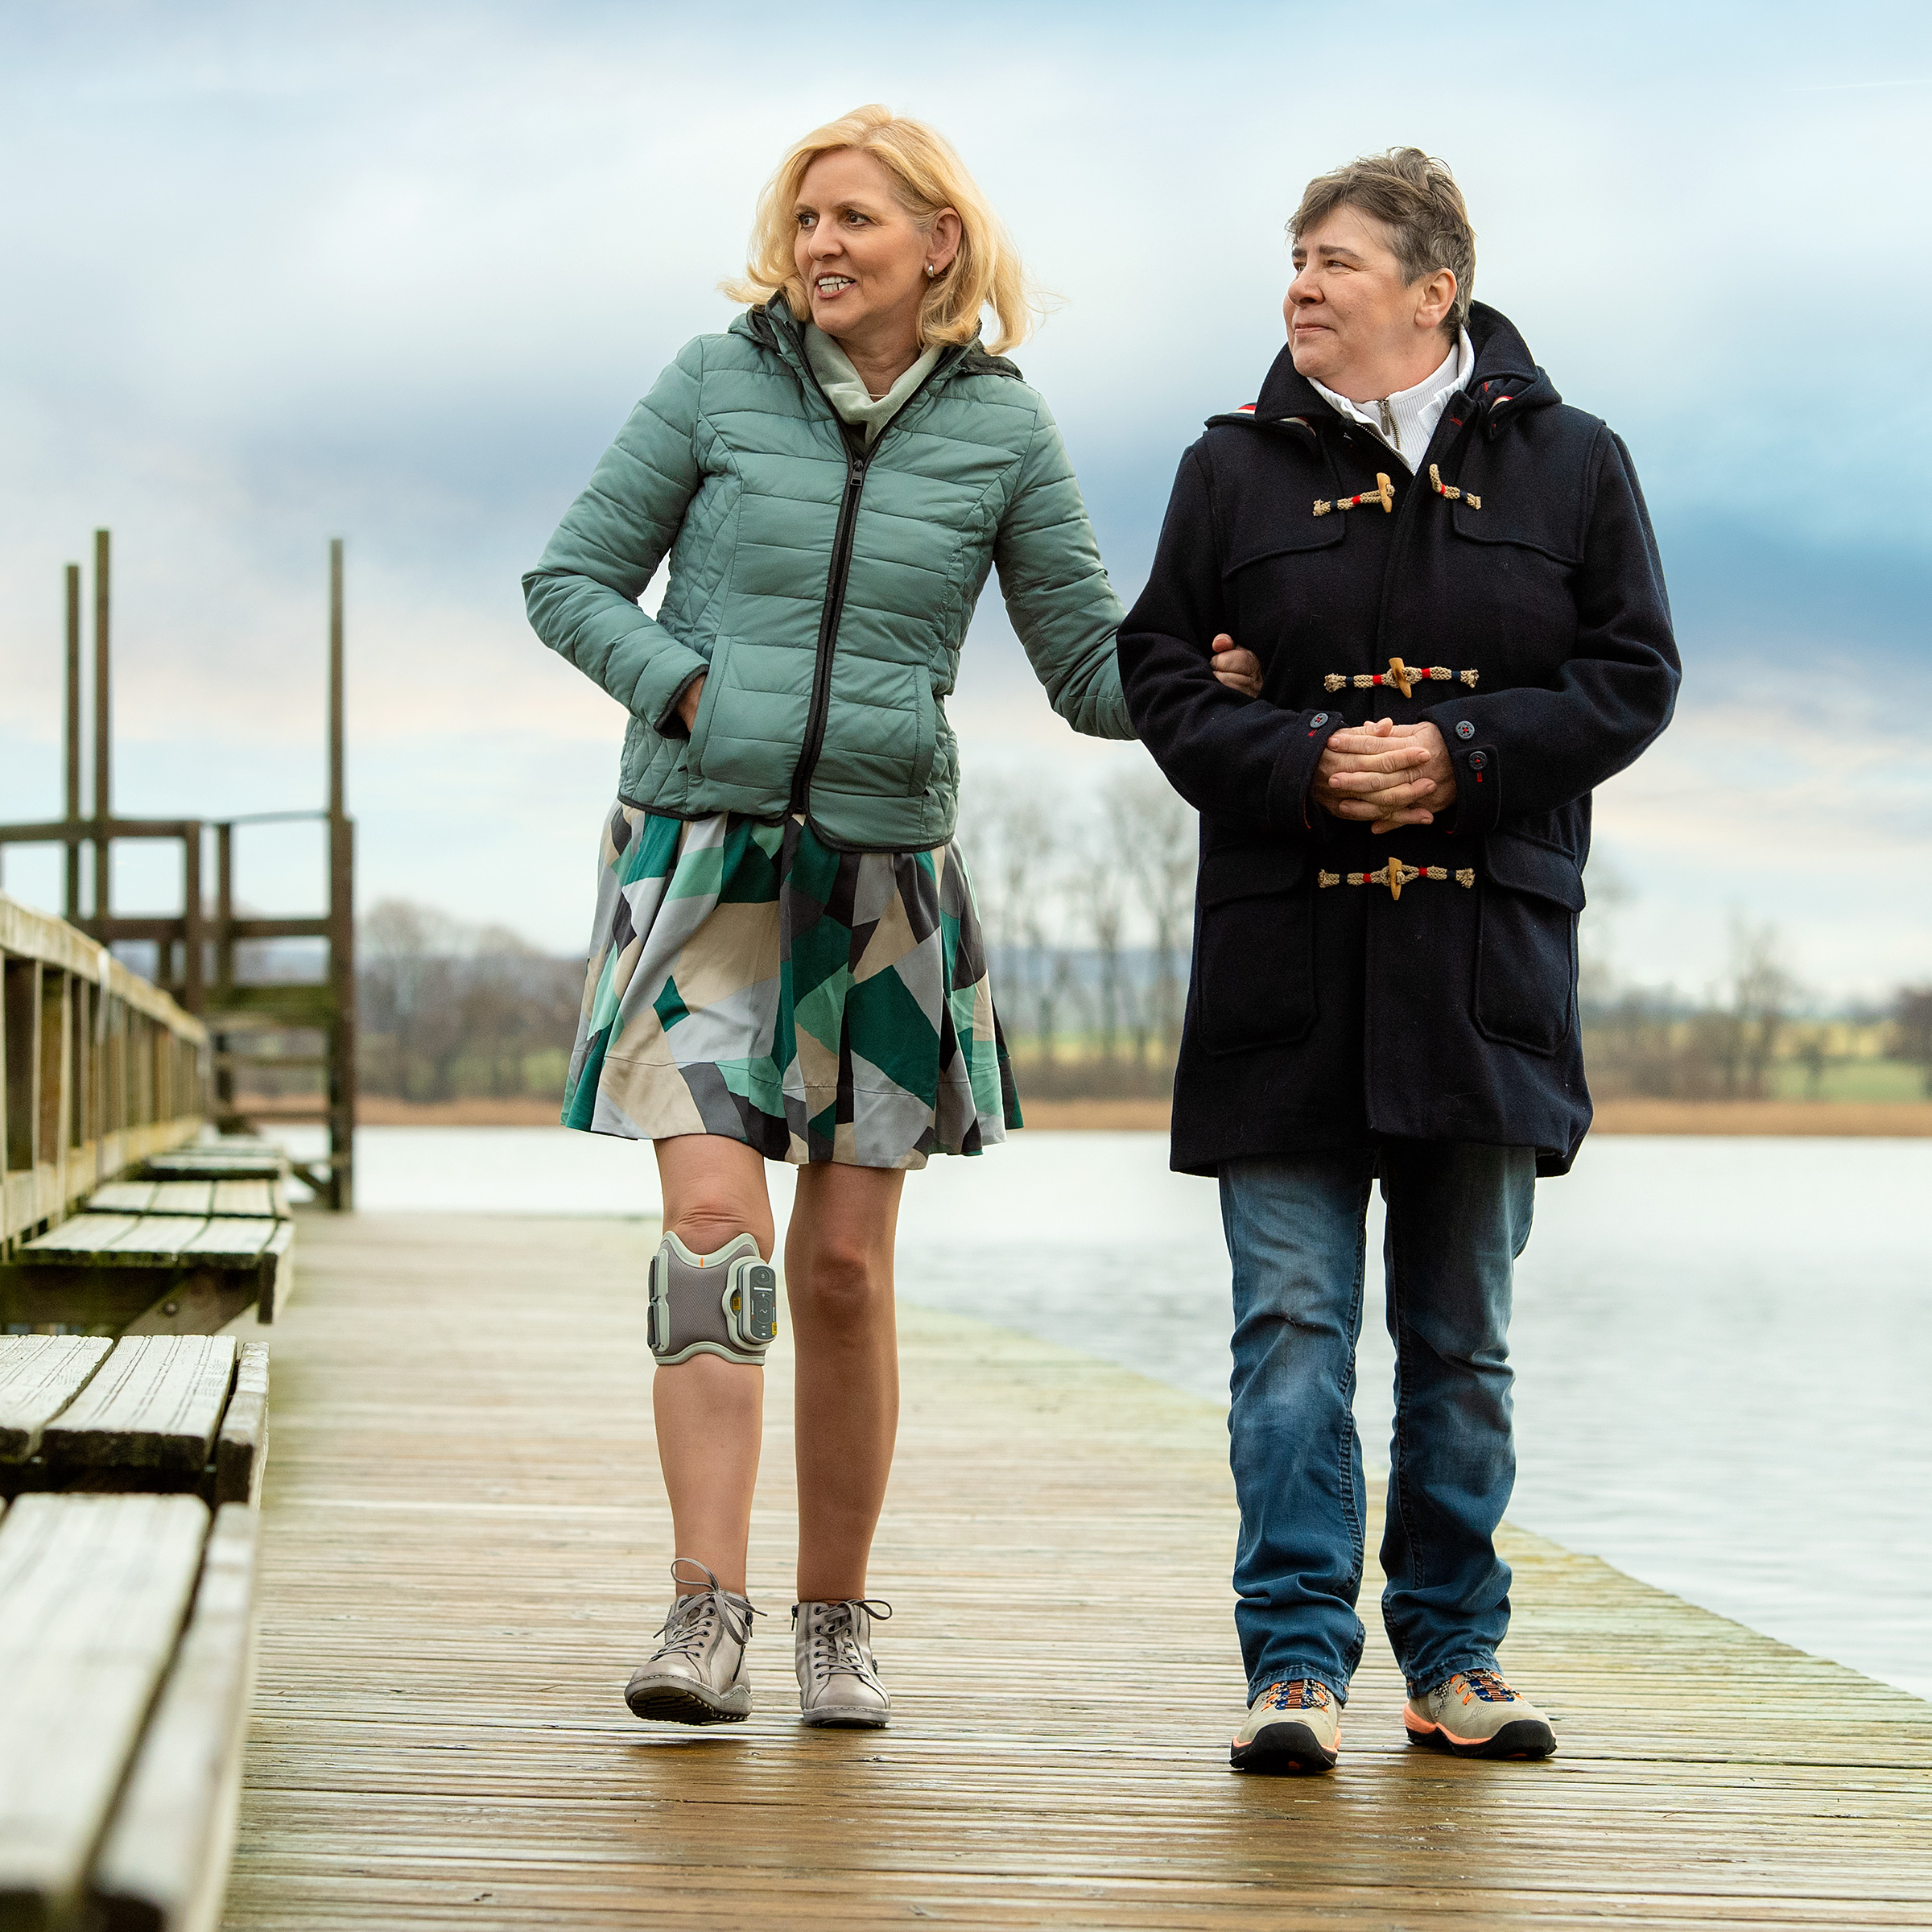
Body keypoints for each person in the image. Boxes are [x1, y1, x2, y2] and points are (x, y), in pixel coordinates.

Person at [524, 104, 1257, 1731]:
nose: (823, 247)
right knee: (715, 1228)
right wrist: (690, 686)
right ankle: (701, 1609)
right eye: (804, 223)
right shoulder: (715, 383)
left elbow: (1086, 669)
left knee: (845, 1267)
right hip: (701, 859)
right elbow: (569, 581)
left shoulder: (1002, 426)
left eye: (854, 219)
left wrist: (1230, 667)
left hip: (882, 883)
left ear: (942, 241)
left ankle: (835, 1618)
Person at [1118, 148, 1679, 1773]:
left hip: (1483, 968)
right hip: (1284, 968)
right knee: (1289, 1332)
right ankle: (1295, 1666)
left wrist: (1459, 757)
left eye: (1337, 258)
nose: (1300, 281)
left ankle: (1455, 1658)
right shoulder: (1225, 471)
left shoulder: (1577, 464)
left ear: (1437, 290)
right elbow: (1161, 671)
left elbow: (1633, 676)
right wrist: (1299, 763)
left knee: (1464, 1343)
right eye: (1292, 257)